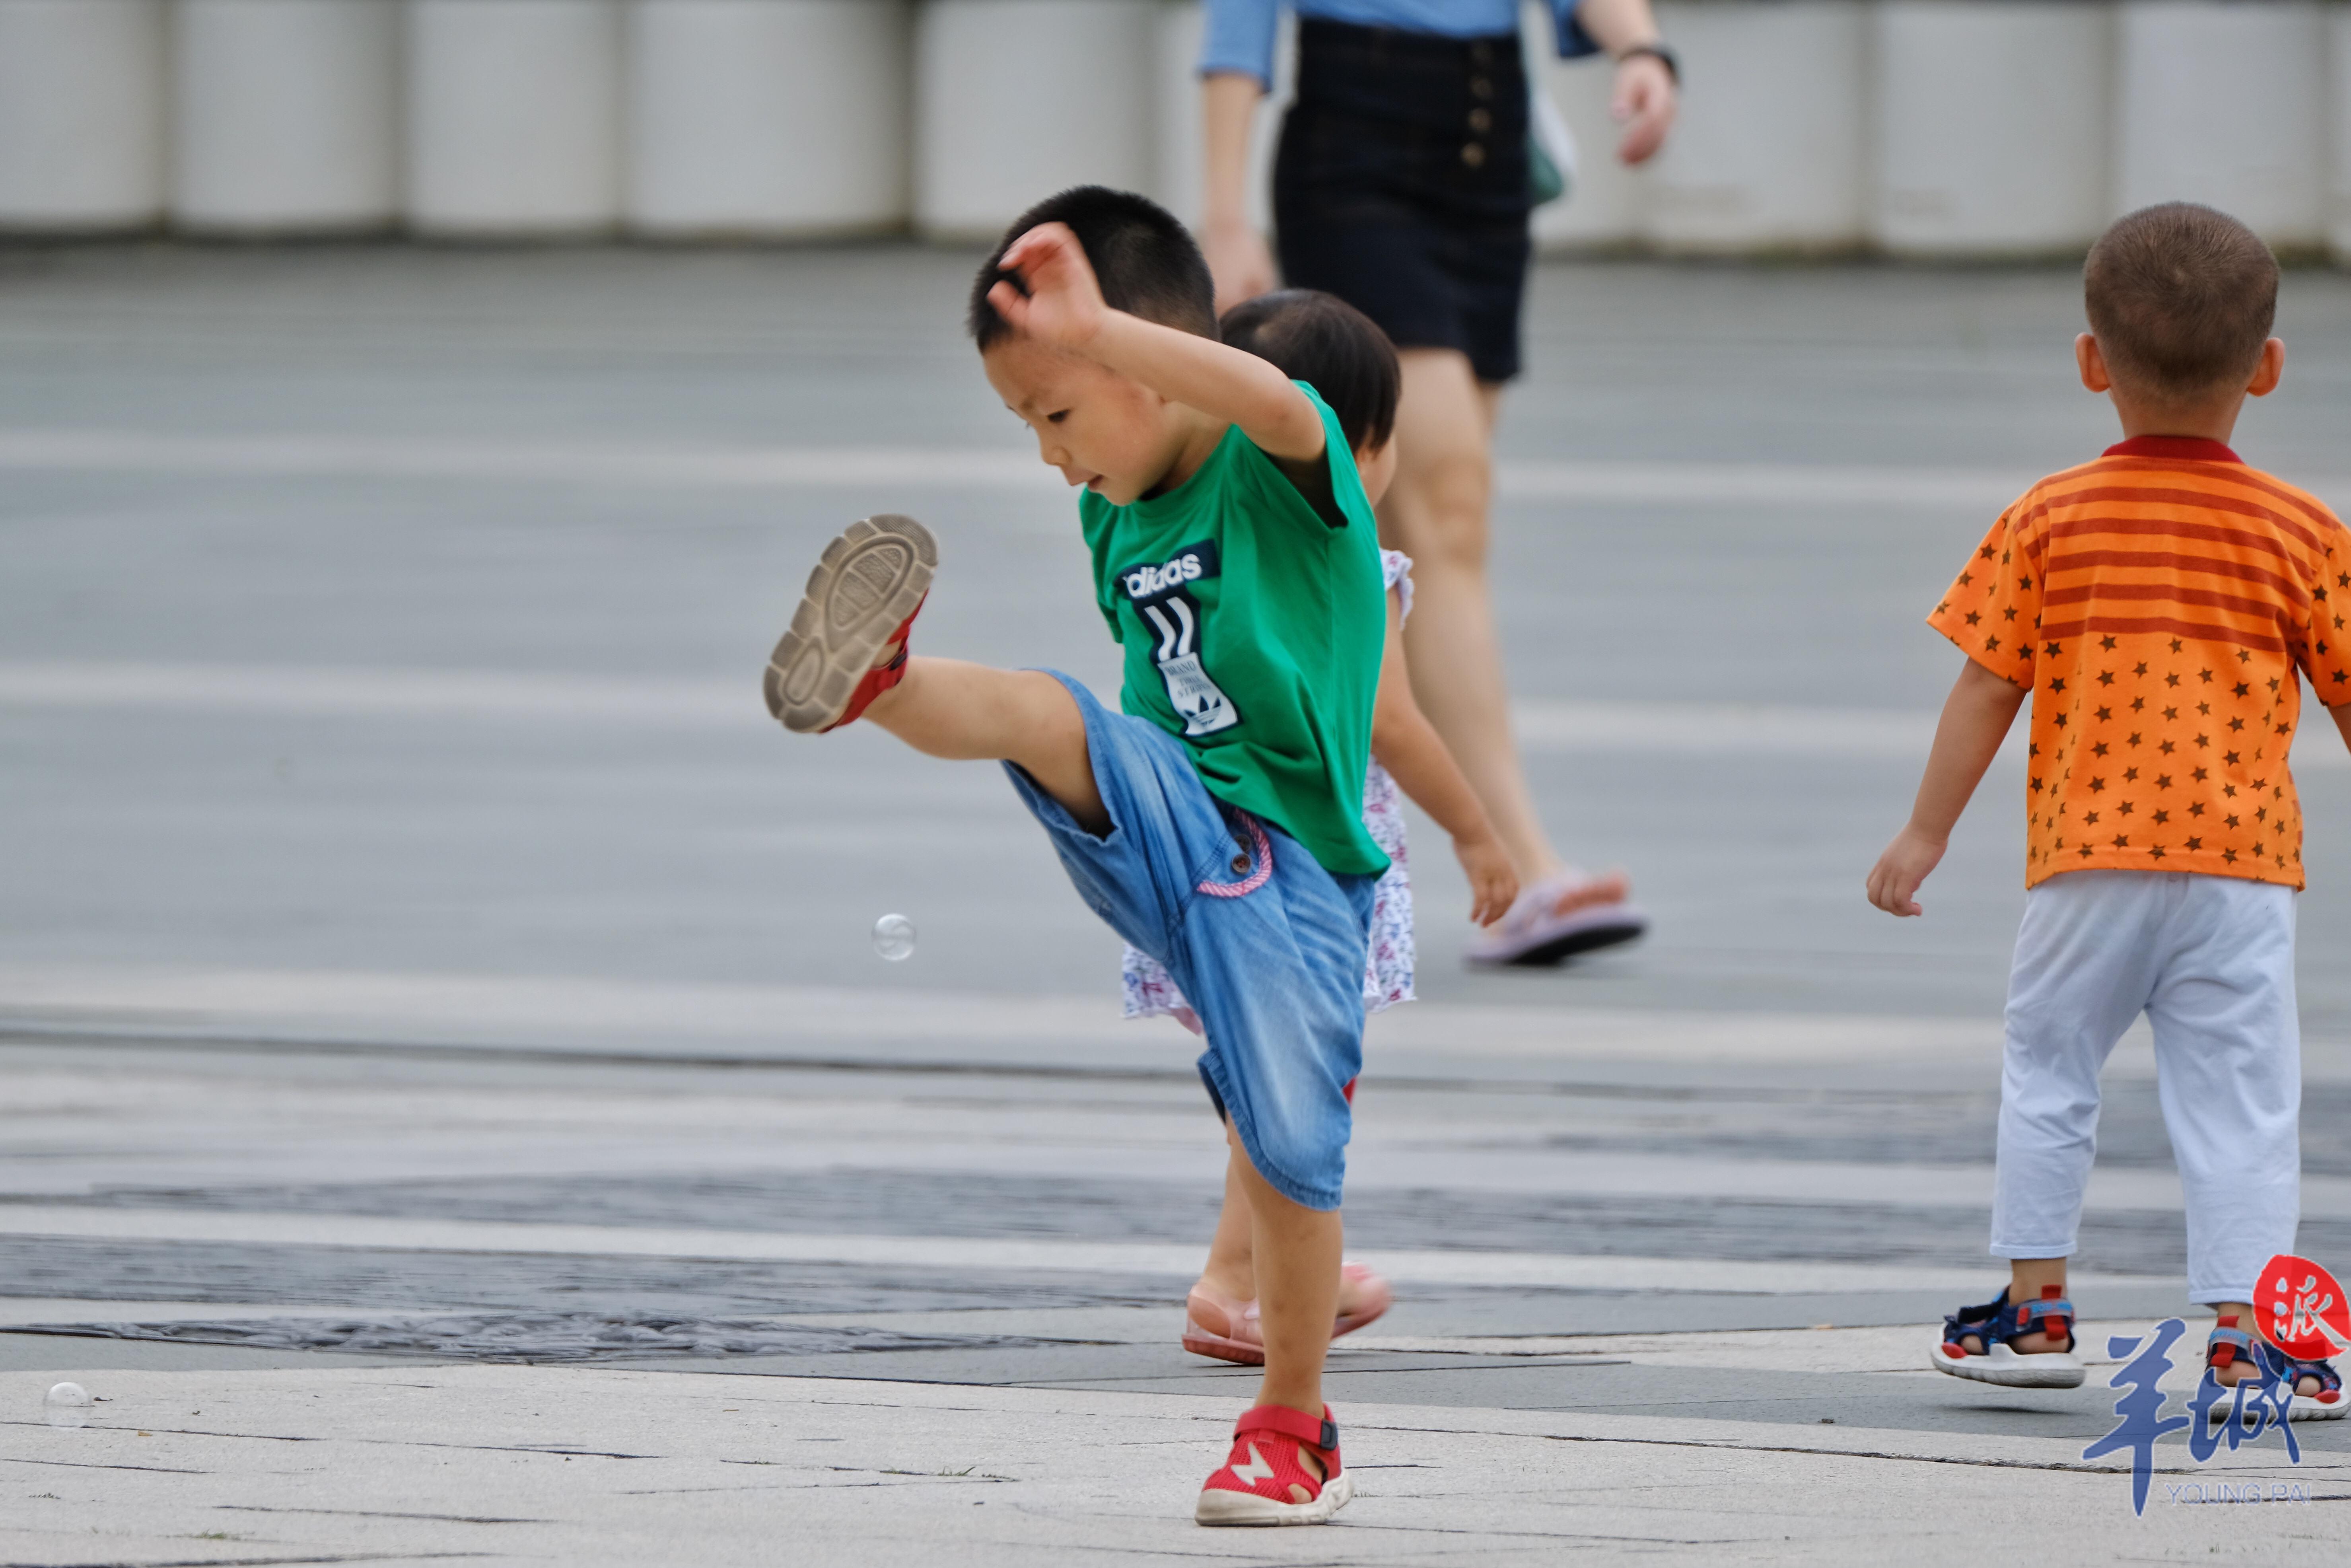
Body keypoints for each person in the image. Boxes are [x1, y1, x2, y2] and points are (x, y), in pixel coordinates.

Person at [764, 186, 1394, 1523]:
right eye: (1024, 428)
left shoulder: (1285, 473)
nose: (1050, 459)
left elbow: (1282, 408)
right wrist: (1085, 359)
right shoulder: (1116, 512)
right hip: (1172, 813)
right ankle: (881, 679)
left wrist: (1103, 321)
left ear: (1144, 365)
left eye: (1057, 414)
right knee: (1056, 714)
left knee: (1285, 1148)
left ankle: (1295, 1424)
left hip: (1292, 867)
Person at [1866, 202, 2349, 1418]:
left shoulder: (2048, 516)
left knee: (2048, 1070)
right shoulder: (2305, 532)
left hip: (2086, 862)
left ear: (2092, 363)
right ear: (2270, 367)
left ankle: (2033, 1311)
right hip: (2244, 872)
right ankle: (2253, 1337)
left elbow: (1988, 683)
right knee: (2243, 1098)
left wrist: (1925, 833)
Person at [1198, 0, 1678, 965]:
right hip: (1355, 142)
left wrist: (1642, 47)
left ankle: (1351, 828)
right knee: (1445, 510)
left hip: (1488, 141)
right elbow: (1235, 32)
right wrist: (1222, 215)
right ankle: (1520, 863)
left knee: (1425, 537)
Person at [1113, 290, 1519, 1364]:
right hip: (1310, 869)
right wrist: (1478, 830)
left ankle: (1248, 1276)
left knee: (1266, 1077)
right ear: (1363, 447)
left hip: (1199, 854)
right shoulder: (1356, 567)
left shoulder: (1201, 541)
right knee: (1293, 1075)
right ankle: (1249, 1277)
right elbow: (1392, 720)